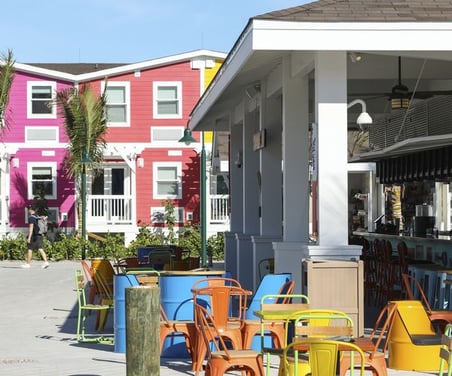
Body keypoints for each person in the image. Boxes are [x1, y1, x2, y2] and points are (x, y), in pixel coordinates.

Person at [22, 204, 49, 269]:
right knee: (40, 248)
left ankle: (28, 264)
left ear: (31, 210)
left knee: (30, 249)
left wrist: (29, 237)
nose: (28, 210)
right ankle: (46, 262)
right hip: (39, 235)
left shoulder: (31, 217)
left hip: (34, 236)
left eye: (29, 209)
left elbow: (31, 228)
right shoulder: (37, 216)